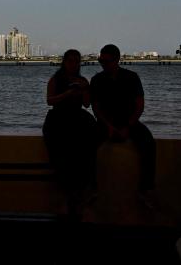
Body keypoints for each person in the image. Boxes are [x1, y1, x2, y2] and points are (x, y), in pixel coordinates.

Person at [90, 44, 156, 198]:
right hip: (105, 122)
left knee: (149, 143)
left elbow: (139, 106)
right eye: (102, 61)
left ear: (117, 60)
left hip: (129, 121)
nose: (104, 65)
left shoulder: (132, 77)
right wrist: (108, 126)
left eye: (107, 61)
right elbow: (96, 108)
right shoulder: (97, 80)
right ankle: (91, 187)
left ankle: (147, 189)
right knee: (87, 144)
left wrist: (128, 126)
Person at [43, 49, 98, 217]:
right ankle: (69, 198)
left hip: (77, 118)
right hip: (59, 118)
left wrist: (85, 89)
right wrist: (67, 94)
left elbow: (87, 104)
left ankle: (80, 196)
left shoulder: (82, 80)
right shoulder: (56, 79)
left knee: (86, 150)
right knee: (63, 155)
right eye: (70, 61)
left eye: (76, 61)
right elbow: (49, 100)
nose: (74, 64)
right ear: (64, 62)